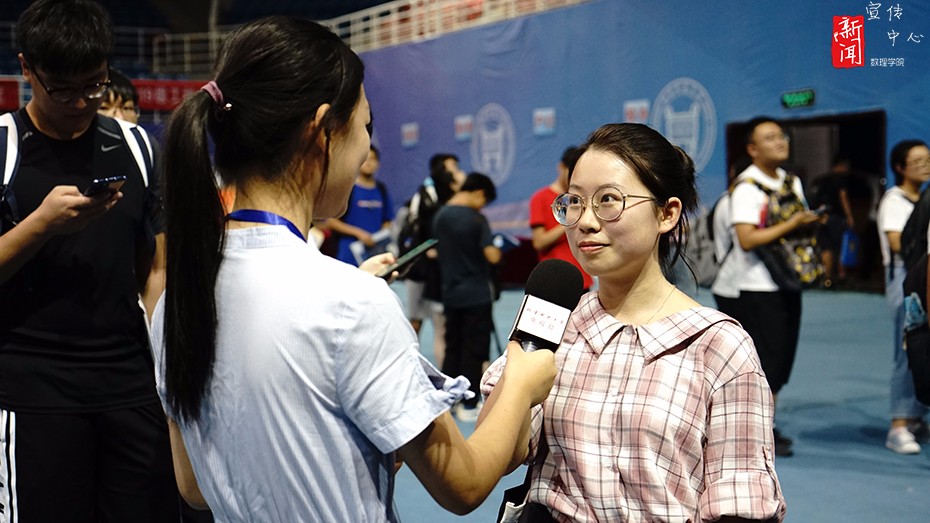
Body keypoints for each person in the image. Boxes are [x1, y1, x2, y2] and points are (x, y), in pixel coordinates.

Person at [150, 16, 556, 521]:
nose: (366, 147)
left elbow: (194, 485)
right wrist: (522, 381)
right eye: (366, 126)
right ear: (323, 131)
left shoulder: (175, 302)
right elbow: (465, 484)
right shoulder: (352, 305)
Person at [481, 123, 785, 522]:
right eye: (575, 201)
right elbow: (501, 456)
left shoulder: (720, 346)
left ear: (667, 213)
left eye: (608, 200)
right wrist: (521, 373)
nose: (585, 221)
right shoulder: (555, 326)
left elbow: (739, 500)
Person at [0, 1, 176, 521]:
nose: (80, 102)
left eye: (93, 85)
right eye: (62, 89)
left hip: (130, 386)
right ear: (27, 68)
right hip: (32, 390)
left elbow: (157, 266)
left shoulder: (138, 147)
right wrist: (40, 224)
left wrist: (160, 361)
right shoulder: (4, 147)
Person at [711, 116, 823, 457]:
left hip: (786, 281)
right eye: (770, 137)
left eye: (781, 135)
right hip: (753, 287)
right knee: (763, 364)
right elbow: (747, 239)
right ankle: (753, 431)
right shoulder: (747, 188)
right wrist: (793, 223)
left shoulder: (792, 182)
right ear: (752, 149)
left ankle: (763, 426)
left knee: (781, 362)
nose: (780, 141)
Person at [432, 172, 501, 422]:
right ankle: (470, 402)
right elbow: (492, 255)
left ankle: (448, 400)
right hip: (476, 294)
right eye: (484, 201)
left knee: (453, 347)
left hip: (450, 293)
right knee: (474, 349)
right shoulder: (476, 219)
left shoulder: (440, 216)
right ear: (479, 193)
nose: (482, 206)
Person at [877, 139, 930, 454]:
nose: (925, 165)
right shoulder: (894, 201)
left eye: (928, 159)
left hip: (925, 277)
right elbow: (899, 244)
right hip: (906, 281)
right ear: (900, 167)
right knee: (908, 349)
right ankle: (898, 425)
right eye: (918, 161)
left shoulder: (925, 199)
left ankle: (916, 418)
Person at [400, 155, 461, 367]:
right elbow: (414, 229)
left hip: (439, 273)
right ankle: (405, 365)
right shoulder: (424, 195)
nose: (456, 171)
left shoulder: (453, 195)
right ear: (440, 170)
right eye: (452, 167)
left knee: (441, 325)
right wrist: (427, 251)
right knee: (415, 320)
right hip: (419, 270)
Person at [529, 146, 593, 290]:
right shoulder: (541, 198)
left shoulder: (582, 199)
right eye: (571, 172)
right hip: (554, 279)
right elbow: (539, 242)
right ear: (561, 167)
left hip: (582, 277)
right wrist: (568, 221)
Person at [326, 145, 394, 266]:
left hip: (374, 253)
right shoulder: (348, 188)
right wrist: (359, 233)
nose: (369, 163)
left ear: (378, 163)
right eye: (365, 159)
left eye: (372, 159)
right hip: (349, 254)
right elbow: (331, 221)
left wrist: (380, 236)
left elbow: (387, 220)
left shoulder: (381, 189)